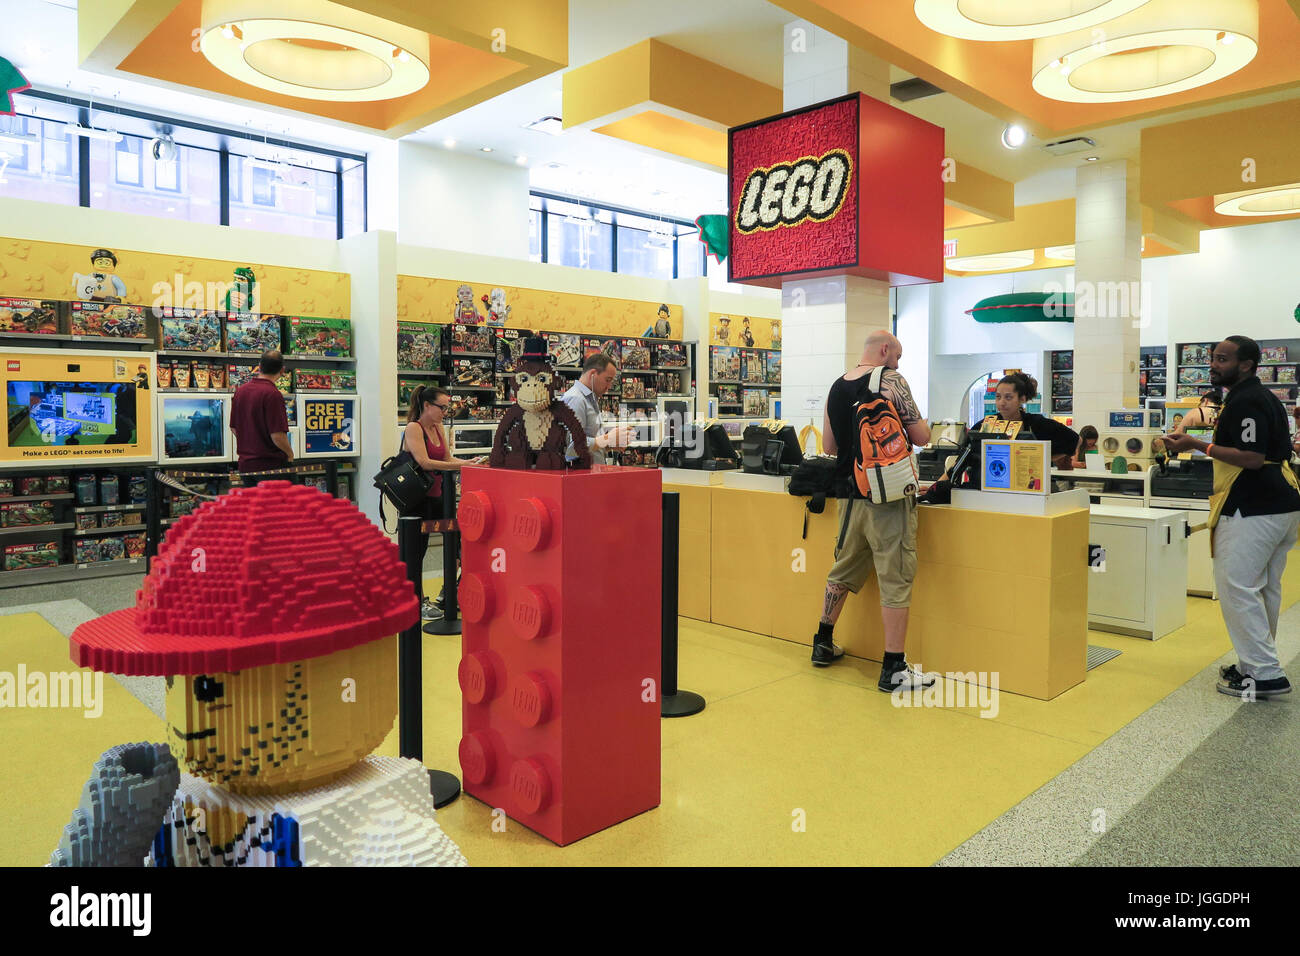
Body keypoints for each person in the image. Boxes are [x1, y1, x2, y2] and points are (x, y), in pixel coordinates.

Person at [1162, 336, 1300, 699]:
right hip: (1279, 504)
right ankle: (1257, 663)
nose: (1213, 365)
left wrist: (1196, 444)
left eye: (1222, 359)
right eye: (1212, 358)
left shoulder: (1248, 400)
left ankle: (1265, 674)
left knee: (1237, 587)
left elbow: (1251, 456)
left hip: (1253, 506)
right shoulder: (1254, 397)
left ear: (1247, 365)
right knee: (1262, 587)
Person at [813, 329, 933, 692]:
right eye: (897, 355)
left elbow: (830, 446)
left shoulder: (836, 385)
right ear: (885, 350)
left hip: (849, 496)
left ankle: (822, 641)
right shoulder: (892, 380)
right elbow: (922, 437)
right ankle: (893, 669)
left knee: (844, 567)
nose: (898, 362)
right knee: (895, 576)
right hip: (888, 497)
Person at [402, 386, 484, 620]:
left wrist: (468, 462)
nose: (446, 412)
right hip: (417, 499)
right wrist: (463, 466)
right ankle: (414, 603)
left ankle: (448, 593)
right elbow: (425, 463)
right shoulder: (413, 428)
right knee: (417, 552)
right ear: (427, 406)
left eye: (447, 407)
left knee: (458, 542)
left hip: (438, 497)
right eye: (442, 407)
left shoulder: (438, 428)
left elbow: (447, 458)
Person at [987, 373, 1079, 469]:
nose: (1002, 403)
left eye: (1008, 397)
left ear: (1022, 399)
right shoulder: (987, 424)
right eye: (998, 397)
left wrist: (1041, 459)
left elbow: (1076, 440)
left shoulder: (1038, 423)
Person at [230, 351, 293, 485]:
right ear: (282, 370)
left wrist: (251, 442)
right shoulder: (273, 394)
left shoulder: (240, 391)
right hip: (270, 467)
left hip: (245, 466)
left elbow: (234, 428)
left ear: (259, 367)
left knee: (254, 506)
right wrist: (290, 454)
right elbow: (277, 435)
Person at [562, 353, 633, 465]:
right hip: (581, 478)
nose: (609, 386)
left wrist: (610, 445)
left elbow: (590, 443)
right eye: (608, 380)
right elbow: (570, 449)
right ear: (593, 374)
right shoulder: (576, 399)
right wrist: (607, 438)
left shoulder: (590, 399)